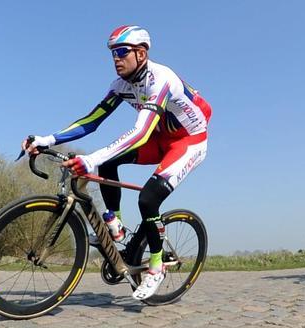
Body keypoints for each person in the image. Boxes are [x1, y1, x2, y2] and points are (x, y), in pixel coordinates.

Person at [21, 25, 212, 300]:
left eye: (122, 52)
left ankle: (156, 269)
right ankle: (116, 227)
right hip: (159, 138)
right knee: (108, 164)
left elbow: (140, 132)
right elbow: (91, 121)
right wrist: (47, 139)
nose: (116, 59)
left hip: (188, 142)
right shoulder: (121, 86)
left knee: (147, 200)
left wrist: (90, 158)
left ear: (142, 53)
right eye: (112, 53)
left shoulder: (161, 79)